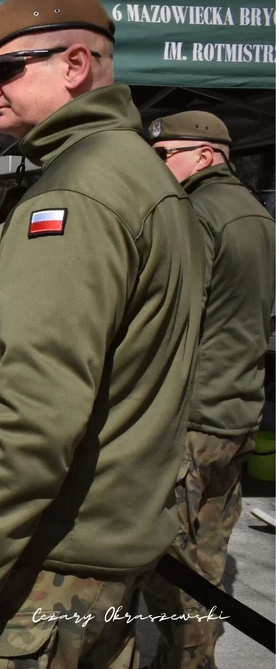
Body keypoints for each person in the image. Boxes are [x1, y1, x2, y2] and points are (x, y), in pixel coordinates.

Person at [0, 0, 204, 669]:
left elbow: (35, 415)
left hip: (51, 561)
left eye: (6, 70)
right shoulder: (142, 178)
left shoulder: (74, 194)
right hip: (103, 546)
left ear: (73, 65)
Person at [142, 111, 276, 669]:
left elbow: (170, 317)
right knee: (209, 554)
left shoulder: (195, 214)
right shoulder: (260, 216)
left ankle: (187, 663)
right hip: (239, 411)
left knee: (166, 562)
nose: (158, 165)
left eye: (164, 153)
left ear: (205, 155)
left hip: (193, 419)